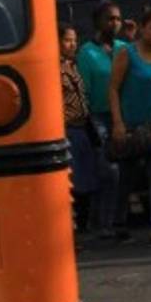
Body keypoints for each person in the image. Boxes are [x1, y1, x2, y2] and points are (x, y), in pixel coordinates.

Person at [109, 10, 151, 244]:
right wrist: (118, 123)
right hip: (132, 127)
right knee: (127, 177)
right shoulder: (127, 54)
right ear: (142, 29)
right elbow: (113, 88)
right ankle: (119, 222)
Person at [76, 1, 127, 241]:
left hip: (123, 116)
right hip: (98, 117)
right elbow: (84, 92)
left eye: (117, 19)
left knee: (121, 172)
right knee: (108, 170)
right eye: (109, 19)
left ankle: (115, 220)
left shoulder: (124, 48)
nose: (114, 23)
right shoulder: (87, 53)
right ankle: (103, 223)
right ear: (98, 22)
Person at [59, 23, 96, 235]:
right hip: (67, 129)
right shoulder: (54, 69)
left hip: (82, 128)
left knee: (86, 180)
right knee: (72, 182)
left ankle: (83, 225)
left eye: (74, 40)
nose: (72, 44)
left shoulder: (72, 65)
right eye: (67, 40)